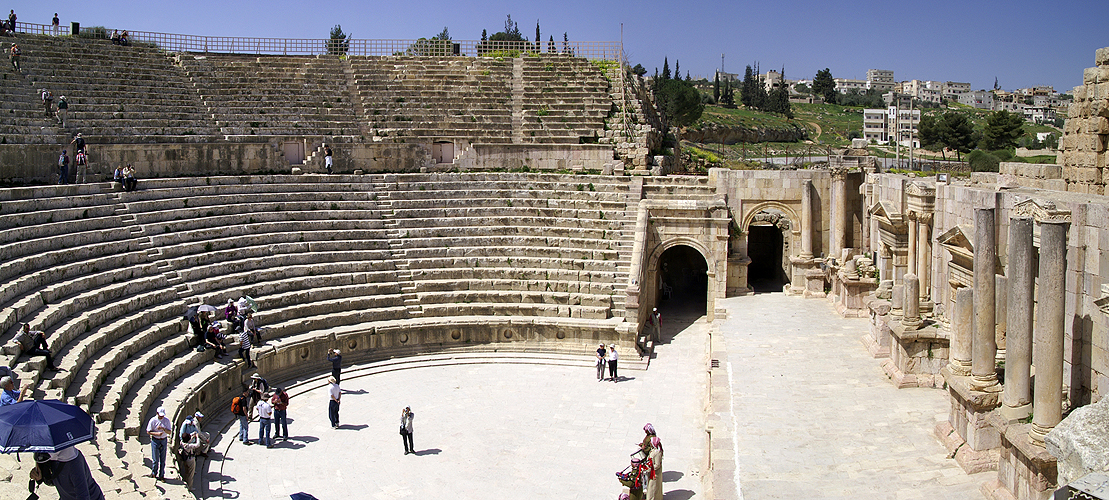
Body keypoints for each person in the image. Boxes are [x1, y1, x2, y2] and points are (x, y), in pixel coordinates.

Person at [31, 447, 105, 500]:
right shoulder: (52, 457)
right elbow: (55, 480)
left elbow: (83, 496)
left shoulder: (75, 464)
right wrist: (40, 476)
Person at [145, 406, 171, 481]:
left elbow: (169, 432)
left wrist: (163, 429)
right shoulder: (153, 420)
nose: (161, 416)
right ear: (157, 413)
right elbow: (148, 431)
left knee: (163, 460)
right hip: (155, 440)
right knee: (155, 460)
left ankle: (161, 475)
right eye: (160, 415)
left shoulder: (166, 421)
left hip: (163, 440)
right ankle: (154, 473)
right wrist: (156, 434)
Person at [645, 436, 664, 500]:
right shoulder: (653, 450)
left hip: (655, 474)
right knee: (651, 487)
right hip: (652, 473)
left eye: (651, 441)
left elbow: (657, 465)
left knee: (652, 488)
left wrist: (649, 468)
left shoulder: (657, 453)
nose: (650, 442)